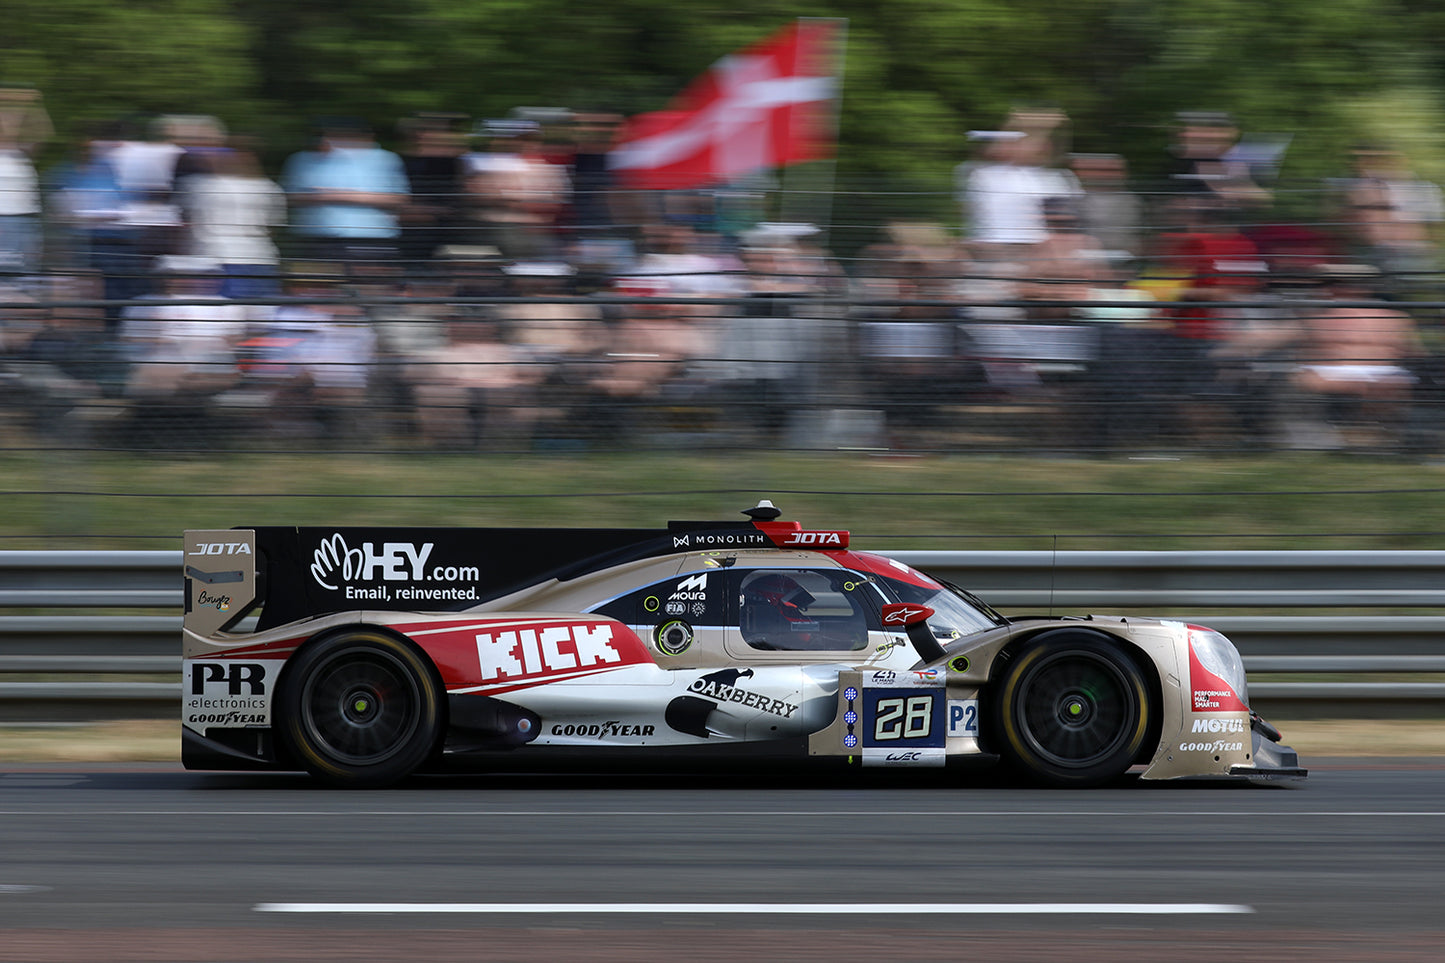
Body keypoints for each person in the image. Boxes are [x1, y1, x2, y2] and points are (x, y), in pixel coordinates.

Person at [282, 118, 409, 265]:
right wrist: (317, 197)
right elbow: (288, 197)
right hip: (314, 239)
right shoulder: (301, 159)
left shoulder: (385, 159)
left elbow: (398, 199)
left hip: (369, 238)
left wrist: (338, 196)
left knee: (369, 285)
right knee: (318, 286)